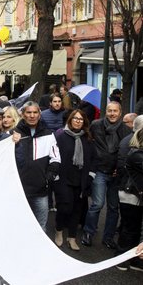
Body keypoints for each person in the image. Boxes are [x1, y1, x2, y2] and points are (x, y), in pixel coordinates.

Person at [81, 102, 131, 248]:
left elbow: (127, 152)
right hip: (99, 171)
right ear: (106, 112)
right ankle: (88, 232)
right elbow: (87, 142)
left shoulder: (126, 130)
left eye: (115, 111)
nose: (112, 113)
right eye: (109, 111)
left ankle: (108, 237)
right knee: (97, 204)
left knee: (114, 208)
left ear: (120, 113)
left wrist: (120, 168)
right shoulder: (96, 125)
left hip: (117, 174)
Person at [14, 101, 61, 231]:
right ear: (23, 114)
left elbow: (56, 158)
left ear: (39, 115)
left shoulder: (48, 133)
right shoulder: (14, 134)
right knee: (20, 226)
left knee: (41, 227)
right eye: (28, 112)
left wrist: (49, 176)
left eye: (35, 112)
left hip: (41, 191)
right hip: (20, 190)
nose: (32, 115)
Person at [54, 110, 95, 251]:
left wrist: (90, 176)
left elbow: (93, 158)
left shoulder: (88, 138)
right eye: (75, 118)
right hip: (63, 179)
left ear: (84, 122)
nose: (78, 121)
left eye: (81, 119)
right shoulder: (60, 135)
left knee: (77, 210)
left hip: (81, 180)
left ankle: (72, 238)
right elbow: (53, 155)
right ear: (70, 120)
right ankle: (59, 231)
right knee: (65, 208)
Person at [115, 117, 143, 271]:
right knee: (129, 227)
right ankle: (122, 258)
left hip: (133, 192)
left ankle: (132, 259)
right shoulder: (130, 143)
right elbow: (122, 166)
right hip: (129, 192)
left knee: (133, 227)